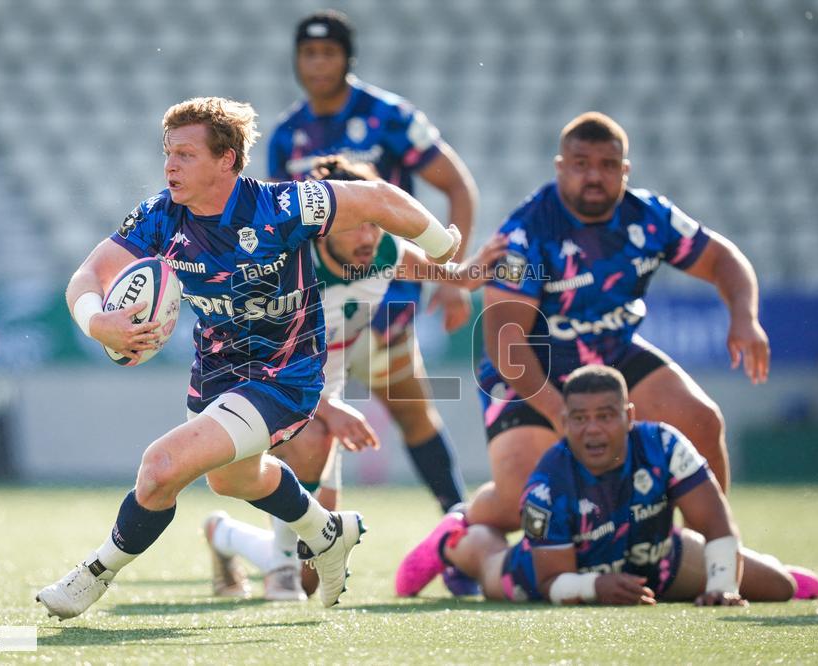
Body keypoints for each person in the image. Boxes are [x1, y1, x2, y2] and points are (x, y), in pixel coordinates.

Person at [35, 96, 462, 618]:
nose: (170, 165)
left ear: (227, 160)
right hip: (217, 372)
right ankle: (326, 532)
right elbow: (88, 274)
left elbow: (376, 198)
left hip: (285, 376)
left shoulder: (282, 207)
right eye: (168, 152)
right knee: (231, 480)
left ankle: (94, 574)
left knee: (161, 467)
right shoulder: (160, 215)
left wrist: (442, 244)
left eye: (186, 154)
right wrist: (96, 320)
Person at [203, 157, 506, 601]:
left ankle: (224, 534)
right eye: (356, 225)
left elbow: (451, 277)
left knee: (312, 575)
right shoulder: (287, 265)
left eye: (375, 224)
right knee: (313, 438)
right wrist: (330, 408)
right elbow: (258, 363)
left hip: (321, 399)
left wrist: (485, 267)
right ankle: (281, 567)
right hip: (266, 393)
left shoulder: (384, 252)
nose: (368, 236)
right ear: (323, 226)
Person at [467, 111, 770, 535]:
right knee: (524, 500)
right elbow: (505, 344)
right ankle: (460, 526)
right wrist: (562, 413)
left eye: (608, 165)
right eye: (581, 164)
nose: (594, 176)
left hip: (611, 355)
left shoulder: (649, 216)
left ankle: (709, 550)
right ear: (560, 168)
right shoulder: (526, 232)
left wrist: (744, 316)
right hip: (531, 372)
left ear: (625, 171)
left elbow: (723, 259)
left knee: (702, 421)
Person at [269, 10, 479, 519]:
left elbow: (457, 186)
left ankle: (458, 521)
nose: (318, 64)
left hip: (386, 299)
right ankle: (286, 545)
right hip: (319, 315)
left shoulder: (391, 117)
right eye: (308, 53)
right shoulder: (285, 136)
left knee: (414, 414)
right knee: (307, 436)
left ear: (348, 58)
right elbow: (281, 231)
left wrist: (452, 277)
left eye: (329, 52)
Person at [396, 365, 818, 605]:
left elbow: (715, 522)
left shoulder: (665, 445)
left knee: (778, 588)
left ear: (629, 416)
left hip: (654, 560)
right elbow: (552, 581)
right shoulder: (547, 482)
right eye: (580, 419)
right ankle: (453, 539)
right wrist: (593, 587)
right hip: (553, 569)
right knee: (491, 569)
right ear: (565, 423)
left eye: (605, 416)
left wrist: (723, 584)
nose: (593, 430)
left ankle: (755, 567)